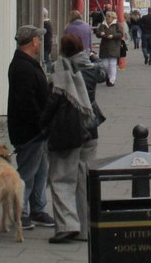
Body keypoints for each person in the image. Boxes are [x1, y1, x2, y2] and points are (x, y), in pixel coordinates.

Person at [42, 34, 107, 244]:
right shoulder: (91, 68)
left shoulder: (60, 71)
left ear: (62, 49)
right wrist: (94, 57)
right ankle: (85, 229)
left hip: (68, 132)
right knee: (84, 181)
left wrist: (41, 125)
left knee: (61, 178)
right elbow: (103, 73)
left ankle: (67, 226)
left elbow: (52, 103)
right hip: (90, 129)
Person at [7, 24, 55, 230]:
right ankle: (21, 212)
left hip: (38, 130)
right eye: (39, 39)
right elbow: (26, 102)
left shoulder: (27, 63)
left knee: (41, 170)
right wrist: (40, 123)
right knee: (27, 172)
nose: (40, 42)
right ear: (33, 41)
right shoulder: (23, 67)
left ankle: (38, 208)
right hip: (30, 131)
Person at [95, 10, 124, 86]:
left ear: (112, 17)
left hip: (114, 46)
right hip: (105, 46)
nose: (107, 18)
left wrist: (113, 36)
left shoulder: (117, 24)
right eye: (106, 16)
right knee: (105, 65)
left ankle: (112, 80)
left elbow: (120, 34)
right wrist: (100, 33)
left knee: (112, 64)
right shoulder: (103, 24)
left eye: (108, 16)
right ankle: (108, 76)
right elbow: (97, 33)